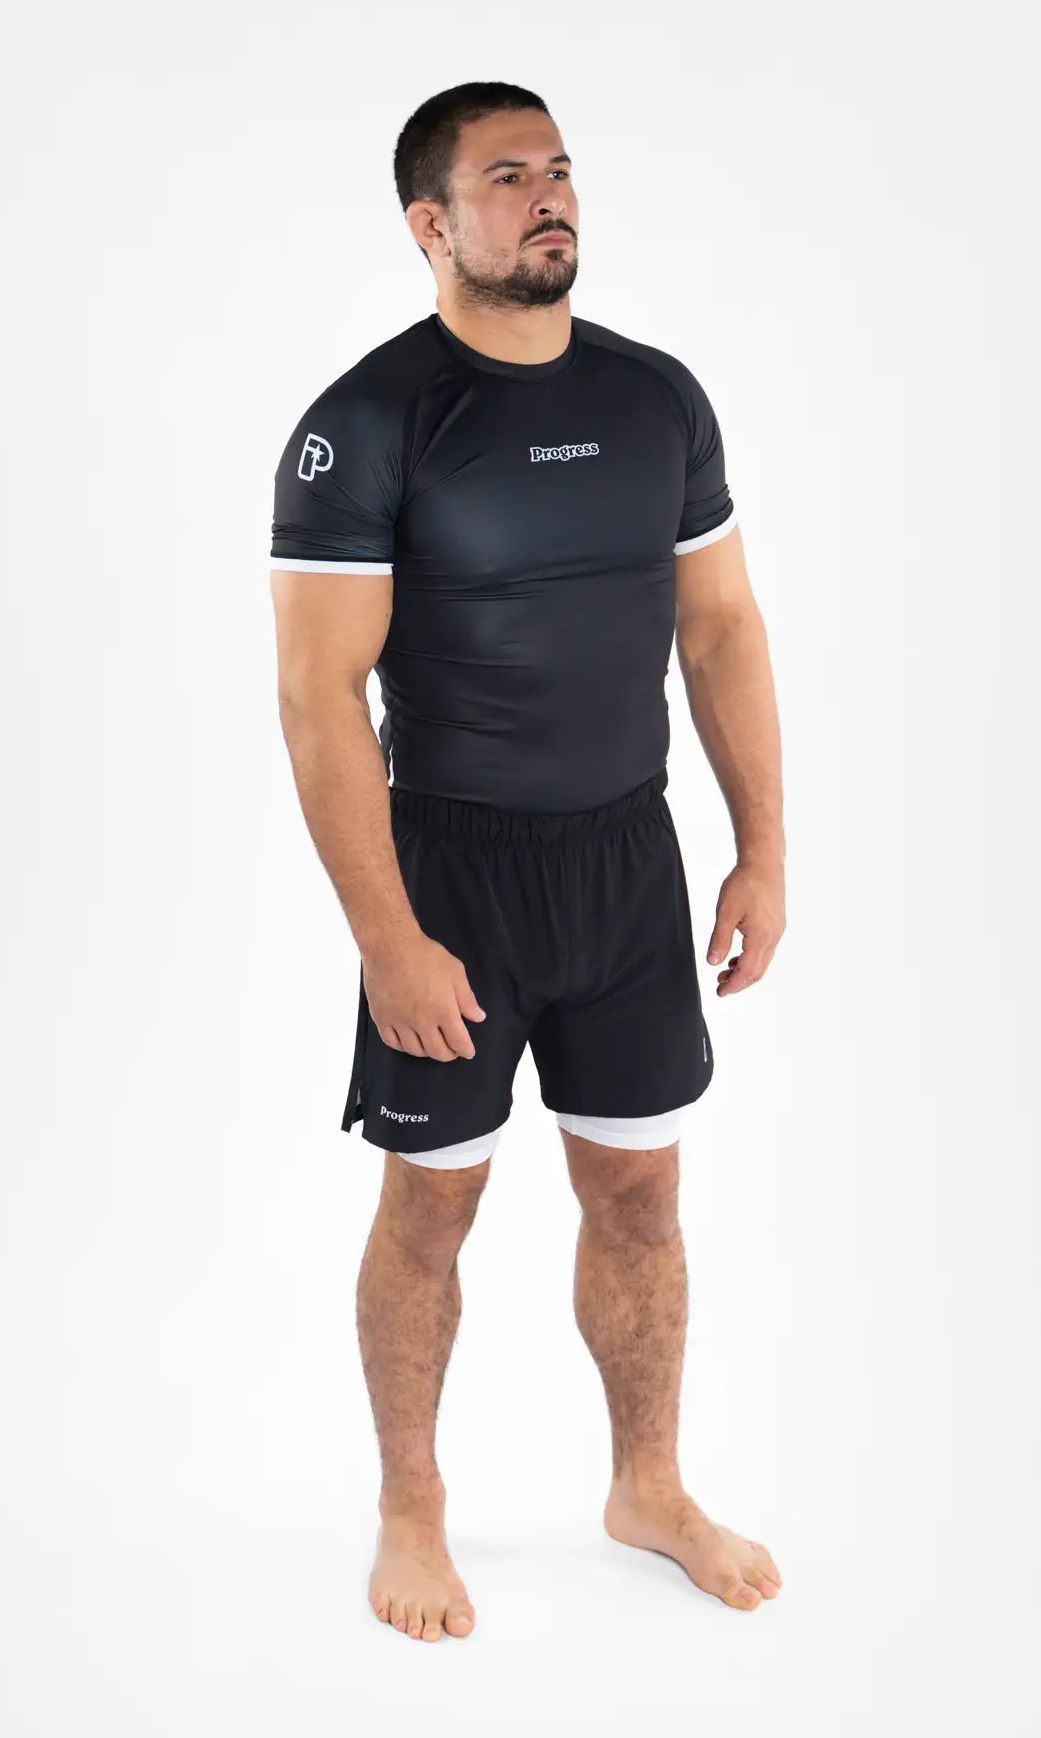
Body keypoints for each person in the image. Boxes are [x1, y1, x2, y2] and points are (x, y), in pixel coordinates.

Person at [268, 81, 787, 1642]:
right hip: (454, 872)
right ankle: (410, 1504)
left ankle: (650, 1485)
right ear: (430, 225)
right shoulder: (365, 424)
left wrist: (762, 849)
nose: (549, 194)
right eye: (507, 177)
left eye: (558, 168)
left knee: (641, 1190)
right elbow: (316, 696)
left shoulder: (658, 399)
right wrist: (387, 937)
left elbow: (721, 628)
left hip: (628, 858)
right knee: (433, 1207)